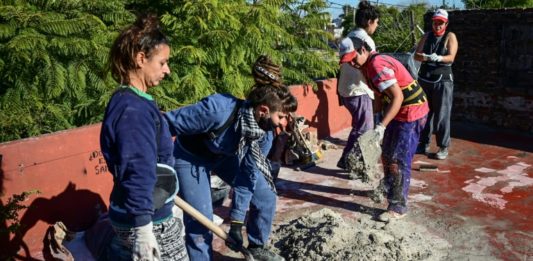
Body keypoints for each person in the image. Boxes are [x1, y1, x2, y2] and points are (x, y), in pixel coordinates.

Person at [164, 57, 296, 261]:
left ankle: (257, 247)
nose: (284, 123)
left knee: (265, 195)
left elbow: (247, 177)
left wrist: (236, 224)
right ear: (263, 111)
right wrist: (155, 161)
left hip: (224, 156)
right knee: (201, 220)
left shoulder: (264, 135)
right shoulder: (218, 110)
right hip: (190, 157)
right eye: (282, 117)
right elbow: (166, 125)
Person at [100, 14, 188, 261]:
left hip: (143, 209)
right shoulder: (133, 111)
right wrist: (143, 229)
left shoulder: (130, 101)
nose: (167, 70)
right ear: (141, 59)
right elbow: (138, 167)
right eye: (162, 63)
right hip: (146, 219)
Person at [345, 36, 429, 222]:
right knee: (387, 154)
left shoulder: (377, 65)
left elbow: (397, 98)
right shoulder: (365, 67)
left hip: (411, 113)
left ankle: (398, 207)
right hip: (398, 111)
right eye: (347, 61)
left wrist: (382, 126)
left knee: (399, 159)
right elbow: (379, 95)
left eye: (353, 58)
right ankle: (389, 185)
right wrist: (375, 123)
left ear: (363, 50)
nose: (351, 63)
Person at [336, 0, 380, 170]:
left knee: (359, 126)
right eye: (376, 23)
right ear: (369, 22)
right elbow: (372, 67)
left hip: (346, 90)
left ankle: (348, 160)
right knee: (364, 128)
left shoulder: (349, 36)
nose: (376, 26)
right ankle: (351, 161)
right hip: (359, 90)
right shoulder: (367, 41)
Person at [414, 9, 458, 160]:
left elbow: (451, 57)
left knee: (442, 115)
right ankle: (423, 143)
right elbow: (416, 55)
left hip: (442, 81)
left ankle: (443, 146)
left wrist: (439, 58)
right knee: (424, 114)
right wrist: (426, 57)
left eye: (440, 22)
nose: (437, 25)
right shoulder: (426, 36)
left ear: (446, 23)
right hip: (425, 79)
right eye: (435, 22)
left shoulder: (450, 36)